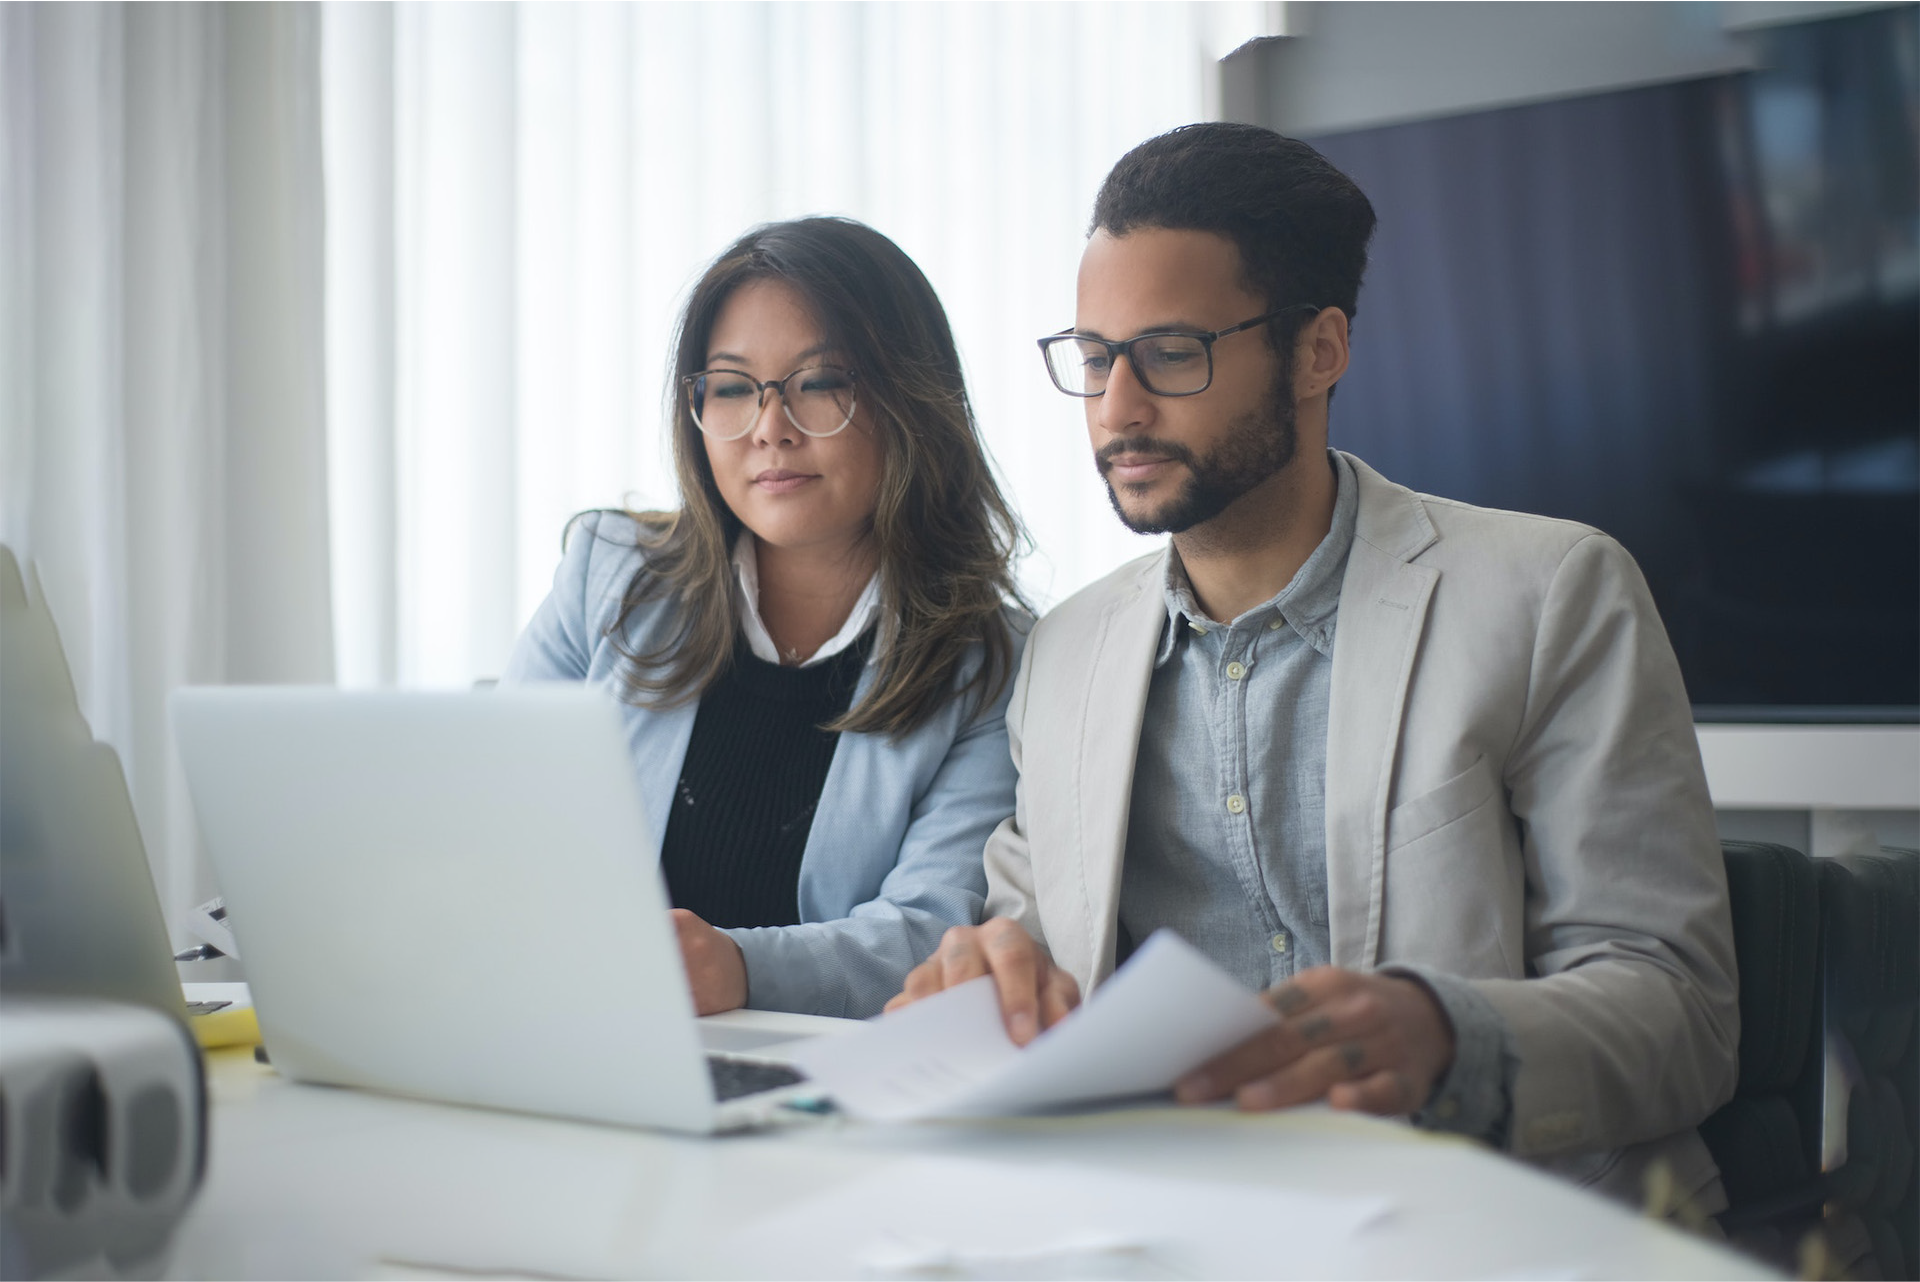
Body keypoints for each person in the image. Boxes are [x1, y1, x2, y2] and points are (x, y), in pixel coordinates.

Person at [888, 124, 1739, 1212]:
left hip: (1489, 1223)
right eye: (1096, 358)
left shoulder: (1552, 592)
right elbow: (1031, 939)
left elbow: (1687, 1015)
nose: (1118, 408)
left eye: (1172, 352)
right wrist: (986, 977)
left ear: (1319, 350)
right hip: (1158, 1219)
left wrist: (1445, 1035)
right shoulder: (1064, 653)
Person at [506, 216, 1027, 1020]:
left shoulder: (990, 664)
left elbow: (932, 935)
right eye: (733, 387)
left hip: (818, 1089)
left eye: (821, 383)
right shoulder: (606, 576)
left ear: (911, 400)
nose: (769, 428)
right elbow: (496, 827)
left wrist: (741, 967)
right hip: (573, 1034)